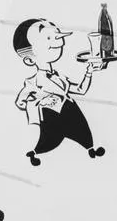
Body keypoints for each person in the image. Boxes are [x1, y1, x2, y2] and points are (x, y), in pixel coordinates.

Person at [13, 18, 105, 165]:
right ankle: (34, 154)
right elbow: (20, 102)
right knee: (50, 139)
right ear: (30, 60)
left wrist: (89, 72)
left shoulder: (60, 76)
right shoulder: (32, 82)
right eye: (47, 38)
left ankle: (91, 149)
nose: (58, 41)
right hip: (52, 114)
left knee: (83, 131)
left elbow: (80, 90)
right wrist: (39, 101)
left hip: (70, 108)